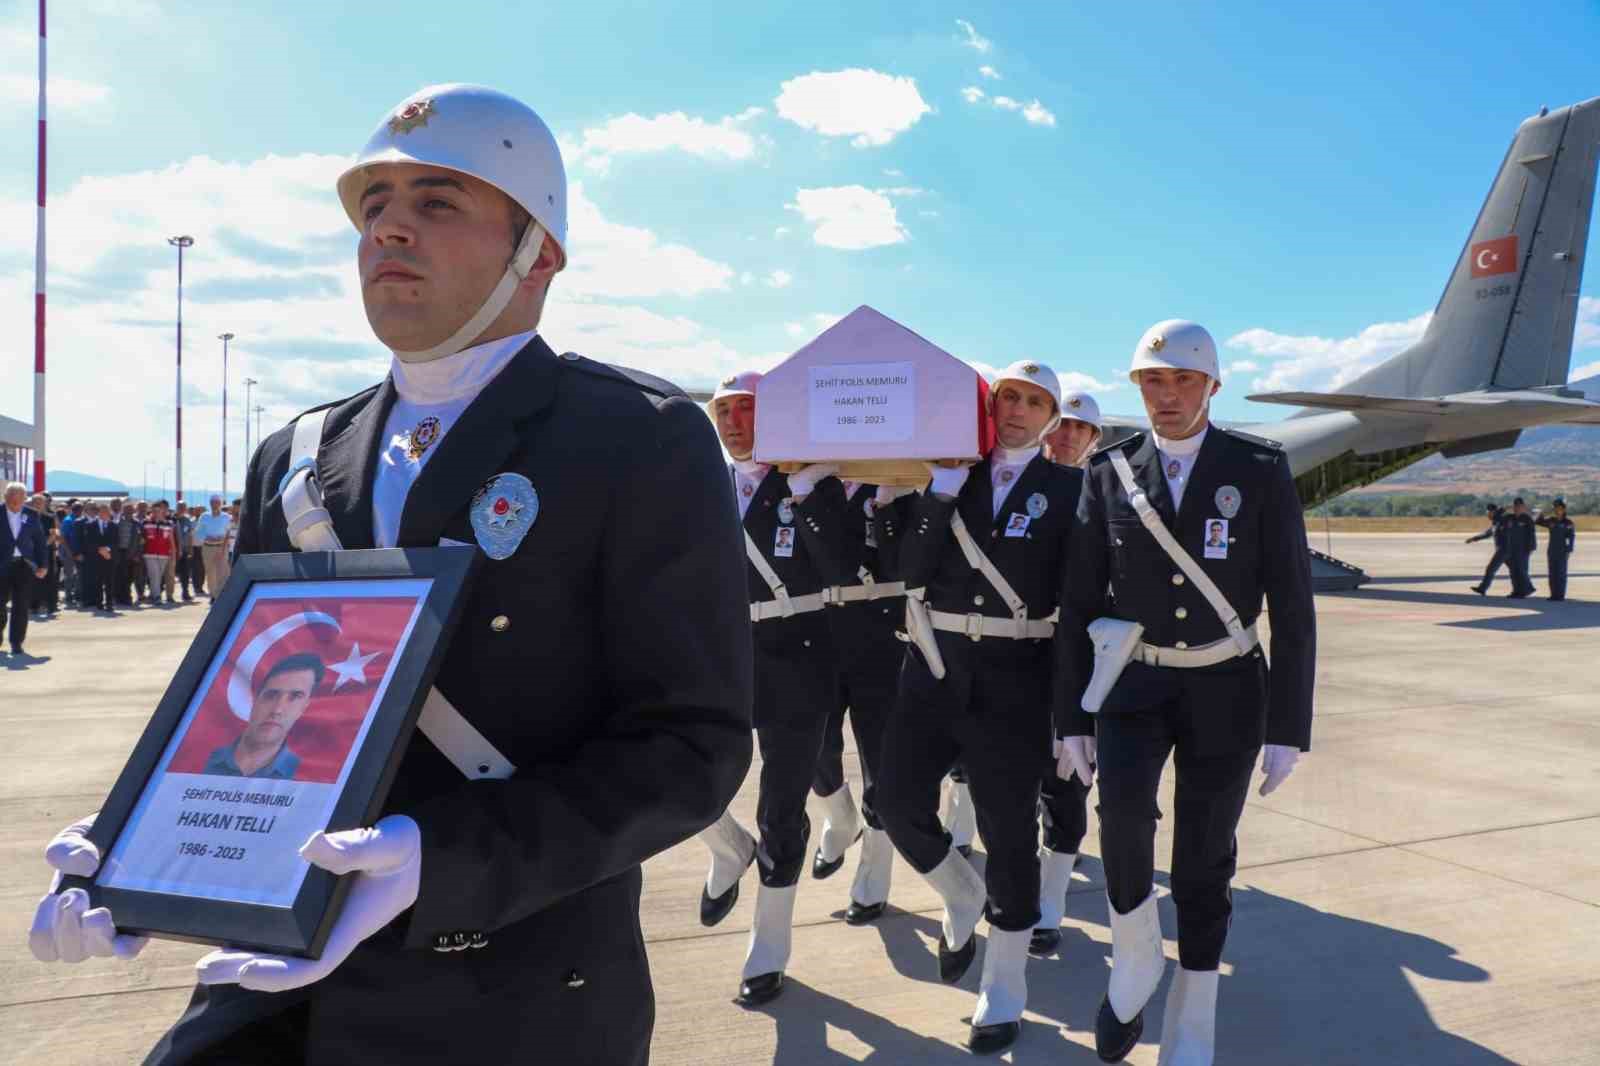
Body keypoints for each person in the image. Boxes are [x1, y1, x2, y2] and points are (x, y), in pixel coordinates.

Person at [29, 83, 753, 1066]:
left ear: (538, 253)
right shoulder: (295, 456)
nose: (388, 230)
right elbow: (250, 705)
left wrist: (435, 862)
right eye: (374, 208)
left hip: (510, 990)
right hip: (275, 973)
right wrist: (149, 843)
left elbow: (691, 748)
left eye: (437, 202)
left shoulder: (636, 437)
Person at [1055, 320, 1316, 1065]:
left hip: (1228, 686)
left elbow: (1292, 603)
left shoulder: (1258, 467)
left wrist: (1288, 725)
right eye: (1153, 381)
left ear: (1212, 386)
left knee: (1204, 855)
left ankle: (1195, 1008)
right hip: (1133, 683)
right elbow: (1079, 602)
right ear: (1137, 387)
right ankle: (1135, 956)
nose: (1166, 396)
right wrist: (1071, 715)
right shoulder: (1110, 471)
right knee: (1121, 819)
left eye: (1183, 381)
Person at [876, 360, 1082, 1054]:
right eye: (1008, 397)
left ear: (1051, 417)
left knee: (1009, 831)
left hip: (1017, 678)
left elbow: (1079, 604)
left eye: (1034, 402)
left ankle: (1005, 984)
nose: (1017, 410)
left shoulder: (1071, 490)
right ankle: (962, 894)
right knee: (895, 801)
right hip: (933, 667)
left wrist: (1072, 714)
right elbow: (907, 571)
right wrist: (938, 491)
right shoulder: (944, 477)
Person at [696, 369, 848, 1006]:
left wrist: (807, 488)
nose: (733, 423)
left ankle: (769, 948)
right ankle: (728, 850)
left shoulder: (812, 482)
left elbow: (840, 566)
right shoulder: (700, 483)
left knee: (781, 806)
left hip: (798, 655)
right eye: (723, 411)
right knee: (679, 775)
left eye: (746, 409)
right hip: (723, 653)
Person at [809, 475, 912, 926]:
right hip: (817, 632)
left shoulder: (898, 478)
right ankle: (840, 819)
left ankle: (873, 877)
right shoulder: (807, 478)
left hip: (880, 633)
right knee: (814, 747)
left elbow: (907, 559)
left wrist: (889, 503)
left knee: (880, 759)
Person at [1032, 388, 1103, 956]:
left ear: (1093, 440)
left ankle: (1049, 907)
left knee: (1067, 784)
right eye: (1062, 424)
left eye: (1081, 428)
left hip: (1074, 659)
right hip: (1013, 657)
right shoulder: (1012, 487)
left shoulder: (1104, 496)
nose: (1068, 435)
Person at [204, 653, 325, 779]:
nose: (277, 710)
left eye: (294, 697)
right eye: (271, 695)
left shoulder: (305, 776)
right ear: (255, 699)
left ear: (304, 707)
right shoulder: (204, 758)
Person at [2, 482, 49, 655]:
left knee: (21, 605)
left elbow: (40, 542)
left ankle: (16, 642)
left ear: (24, 499)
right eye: (12, 500)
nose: (15, 504)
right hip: (2, 565)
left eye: (19, 500)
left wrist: (43, 565)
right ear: (6, 498)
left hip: (24, 565)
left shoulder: (32, 514)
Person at [1536, 498, 1577, 601]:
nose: (1557, 510)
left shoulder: (1568, 523)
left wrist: (1569, 550)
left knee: (1561, 574)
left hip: (1562, 551)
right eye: (1555, 508)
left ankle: (1560, 595)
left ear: (1563, 509)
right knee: (1552, 574)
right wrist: (1544, 512)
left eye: (1559, 508)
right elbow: (1538, 521)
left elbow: (1571, 537)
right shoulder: (1551, 521)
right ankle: (1553, 595)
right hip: (1552, 551)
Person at [78, 503, 117, 612]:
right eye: (102, 511)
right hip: (95, 557)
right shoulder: (90, 525)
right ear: (98, 513)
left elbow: (115, 541)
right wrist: (100, 550)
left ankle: (109, 603)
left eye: (106, 511)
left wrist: (107, 549)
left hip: (109, 557)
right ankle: (99, 602)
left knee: (109, 581)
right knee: (97, 581)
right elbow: (88, 541)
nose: (104, 513)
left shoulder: (114, 525)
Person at [1467, 502, 1510, 595]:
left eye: (1488, 513)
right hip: (1504, 550)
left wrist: (1500, 511)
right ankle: (1525, 588)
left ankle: (1483, 588)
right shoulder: (1496, 522)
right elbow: (1487, 533)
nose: (1487, 515)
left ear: (1493, 512)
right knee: (1516, 571)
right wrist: (1474, 538)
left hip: (1503, 550)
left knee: (1490, 569)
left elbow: (1502, 514)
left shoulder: (1501, 520)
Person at [141, 501, 178, 606]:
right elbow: (141, 538)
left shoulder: (169, 524)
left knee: (158, 576)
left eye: (159, 511)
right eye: (154, 511)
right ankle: (157, 597)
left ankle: (153, 595)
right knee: (155, 575)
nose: (156, 513)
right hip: (149, 554)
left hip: (164, 555)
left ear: (162, 511)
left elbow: (171, 541)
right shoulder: (145, 522)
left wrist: (173, 555)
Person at [195, 495, 232, 599]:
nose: (214, 505)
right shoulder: (204, 516)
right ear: (210, 504)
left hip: (222, 547)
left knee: (223, 572)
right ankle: (213, 595)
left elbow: (229, 533)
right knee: (210, 572)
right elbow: (199, 534)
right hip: (207, 547)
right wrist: (207, 538)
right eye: (212, 503)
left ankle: (222, 596)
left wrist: (222, 541)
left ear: (220, 504)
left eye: (217, 503)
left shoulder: (226, 517)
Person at [1505, 498, 1538, 598]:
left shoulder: (1527, 519)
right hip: (1511, 548)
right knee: (1513, 571)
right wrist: (1504, 508)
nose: (1517, 508)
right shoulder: (1509, 518)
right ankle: (1516, 591)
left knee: (1521, 570)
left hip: (1523, 549)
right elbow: (1496, 517)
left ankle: (1525, 590)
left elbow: (1532, 534)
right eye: (1515, 506)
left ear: (1523, 507)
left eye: (1519, 506)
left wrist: (1532, 547)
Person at [173, 503, 197, 602]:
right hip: (173, 550)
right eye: (180, 507)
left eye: (183, 507)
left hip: (185, 549)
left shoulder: (187, 520)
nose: (182, 509)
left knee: (185, 572)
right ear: (176, 508)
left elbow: (190, 535)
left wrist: (191, 548)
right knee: (170, 573)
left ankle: (185, 592)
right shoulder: (172, 519)